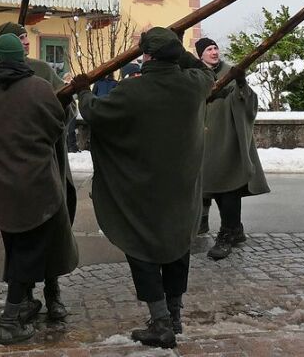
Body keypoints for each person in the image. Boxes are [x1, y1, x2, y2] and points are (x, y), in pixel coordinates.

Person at [76, 28, 213, 349]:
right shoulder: (193, 86)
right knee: (178, 246)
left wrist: (83, 91)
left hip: (143, 189)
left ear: (146, 56)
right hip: (181, 187)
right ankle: (175, 316)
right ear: (174, 55)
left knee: (142, 247)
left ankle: (161, 321)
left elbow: (94, 112)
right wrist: (177, 49)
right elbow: (201, 70)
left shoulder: (131, 92)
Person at [0, 34, 77, 345]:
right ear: (22, 59)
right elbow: (57, 127)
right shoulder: (39, 88)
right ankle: (10, 321)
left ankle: (24, 305)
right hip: (38, 189)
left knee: (17, 249)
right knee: (30, 253)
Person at [0, 23, 72, 319]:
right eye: (20, 37)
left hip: (49, 161)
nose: (27, 41)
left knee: (54, 231)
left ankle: (53, 293)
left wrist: (65, 108)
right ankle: (23, 296)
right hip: (9, 169)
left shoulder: (42, 70)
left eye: (26, 36)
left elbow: (66, 108)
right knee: (17, 238)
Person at [195, 37, 270, 259]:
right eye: (209, 49)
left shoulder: (230, 73)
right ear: (200, 55)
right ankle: (233, 229)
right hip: (203, 141)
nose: (214, 52)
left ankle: (228, 232)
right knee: (209, 186)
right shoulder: (195, 75)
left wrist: (240, 85)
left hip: (228, 141)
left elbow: (249, 105)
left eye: (215, 48)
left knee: (228, 188)